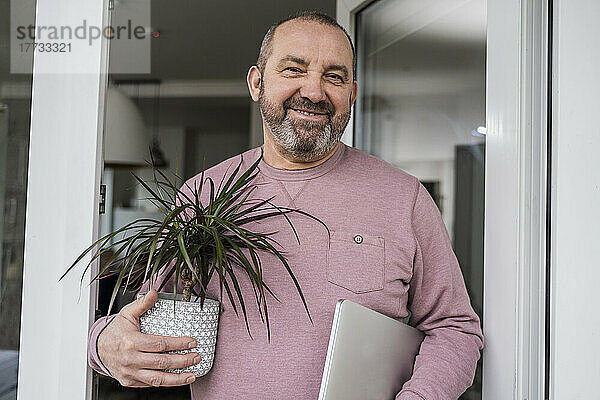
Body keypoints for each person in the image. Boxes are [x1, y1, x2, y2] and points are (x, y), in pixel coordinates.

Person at [88, 11, 484, 400]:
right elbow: (146, 316)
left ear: (352, 94)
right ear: (257, 82)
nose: (314, 92)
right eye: (294, 70)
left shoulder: (404, 198)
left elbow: (455, 329)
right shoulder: (202, 194)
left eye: (334, 76)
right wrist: (105, 344)